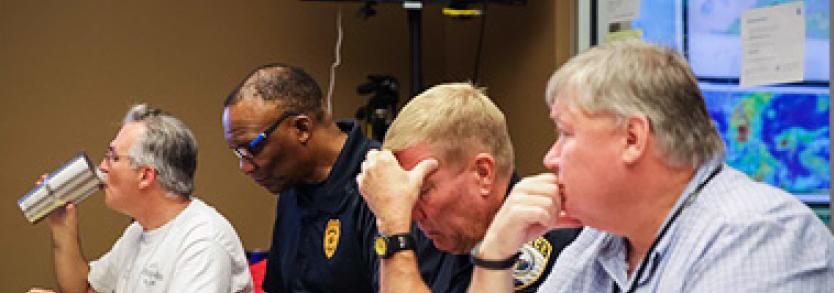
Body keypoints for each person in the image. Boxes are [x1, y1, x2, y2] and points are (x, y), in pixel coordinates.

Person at [469, 39, 834, 292]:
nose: (550, 158)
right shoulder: (601, 241)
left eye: (566, 133)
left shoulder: (757, 234)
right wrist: (497, 252)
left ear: (633, 139)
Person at [221, 64, 466, 292]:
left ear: (302, 129)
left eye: (251, 148)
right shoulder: (292, 186)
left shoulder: (384, 183)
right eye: (237, 153)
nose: (245, 166)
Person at [356, 83, 580, 293]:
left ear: (483, 174)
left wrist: (393, 233)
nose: (412, 214)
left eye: (423, 191)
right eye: (405, 194)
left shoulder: (554, 242)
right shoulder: (438, 234)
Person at [29, 104, 253, 293]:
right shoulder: (139, 230)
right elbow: (86, 288)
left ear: (145, 175)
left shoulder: (203, 241)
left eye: (112, 157)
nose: (102, 167)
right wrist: (62, 227)